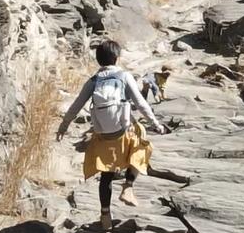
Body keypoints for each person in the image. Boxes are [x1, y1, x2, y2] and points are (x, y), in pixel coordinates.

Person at [57, 39, 164, 222]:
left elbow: (76, 106)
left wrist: (63, 126)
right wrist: (155, 124)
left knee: (106, 174)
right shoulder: (124, 76)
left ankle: (105, 214)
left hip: (103, 135)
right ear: (117, 57)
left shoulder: (93, 80)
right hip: (123, 131)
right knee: (143, 145)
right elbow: (140, 103)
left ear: (99, 60)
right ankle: (128, 186)